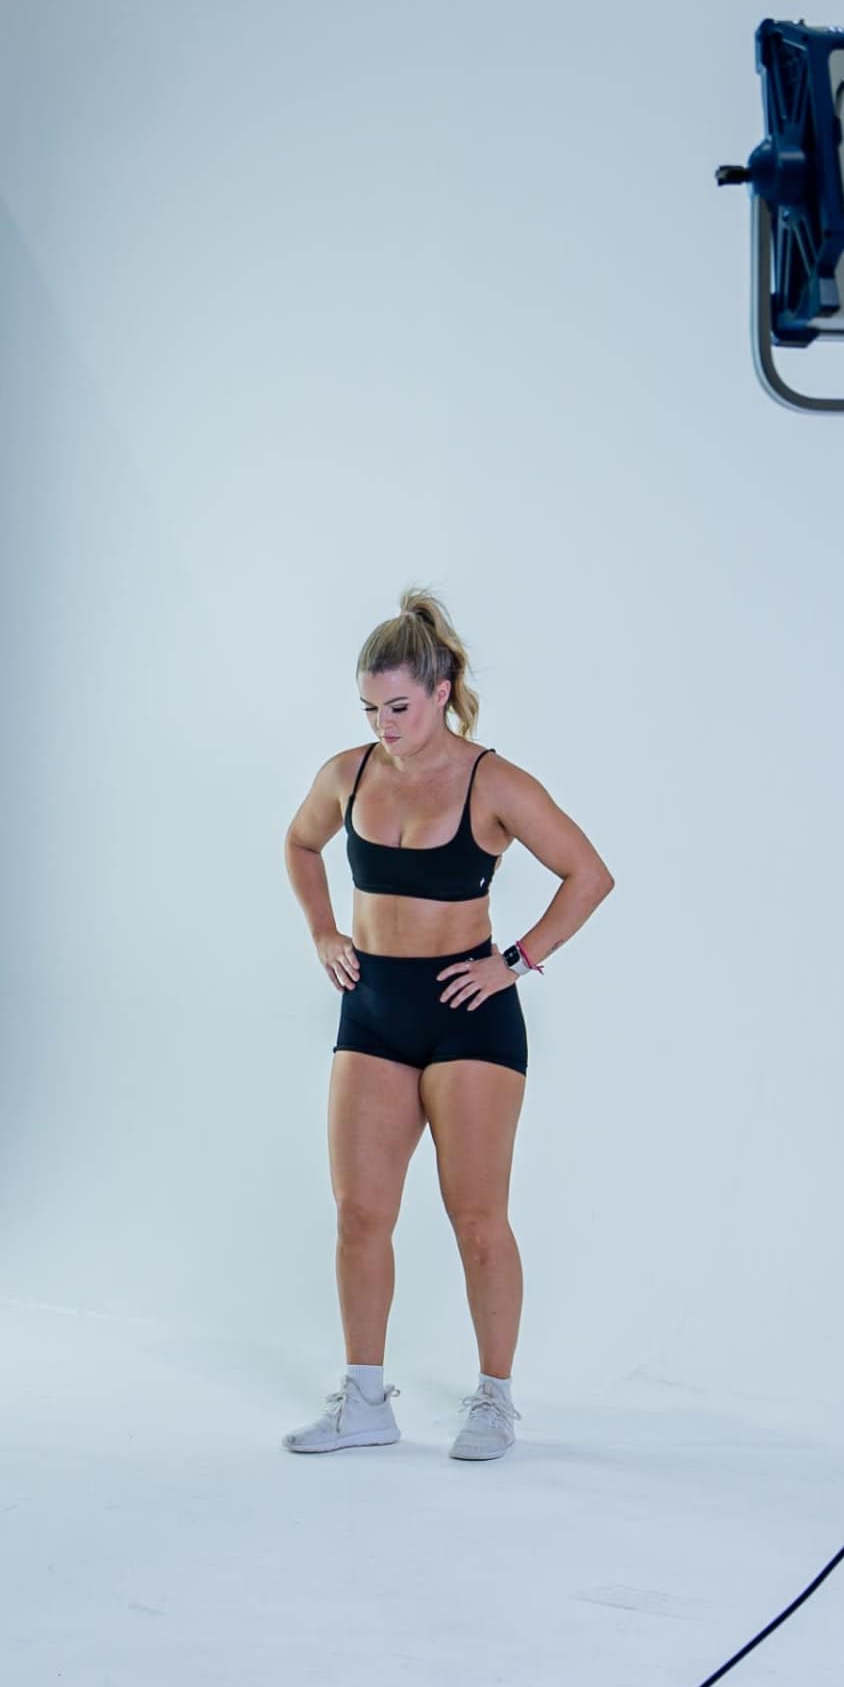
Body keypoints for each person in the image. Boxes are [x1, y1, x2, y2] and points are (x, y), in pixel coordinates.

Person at [277, 592, 613, 1460]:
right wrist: (323, 930)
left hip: (470, 1018)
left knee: (476, 1217)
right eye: (369, 709)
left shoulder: (492, 781)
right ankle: (364, 1400)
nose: (384, 725)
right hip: (374, 1009)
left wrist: (515, 959)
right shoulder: (346, 772)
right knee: (359, 1214)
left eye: (398, 707)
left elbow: (588, 873)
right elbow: (300, 844)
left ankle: (495, 1400)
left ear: (441, 689)